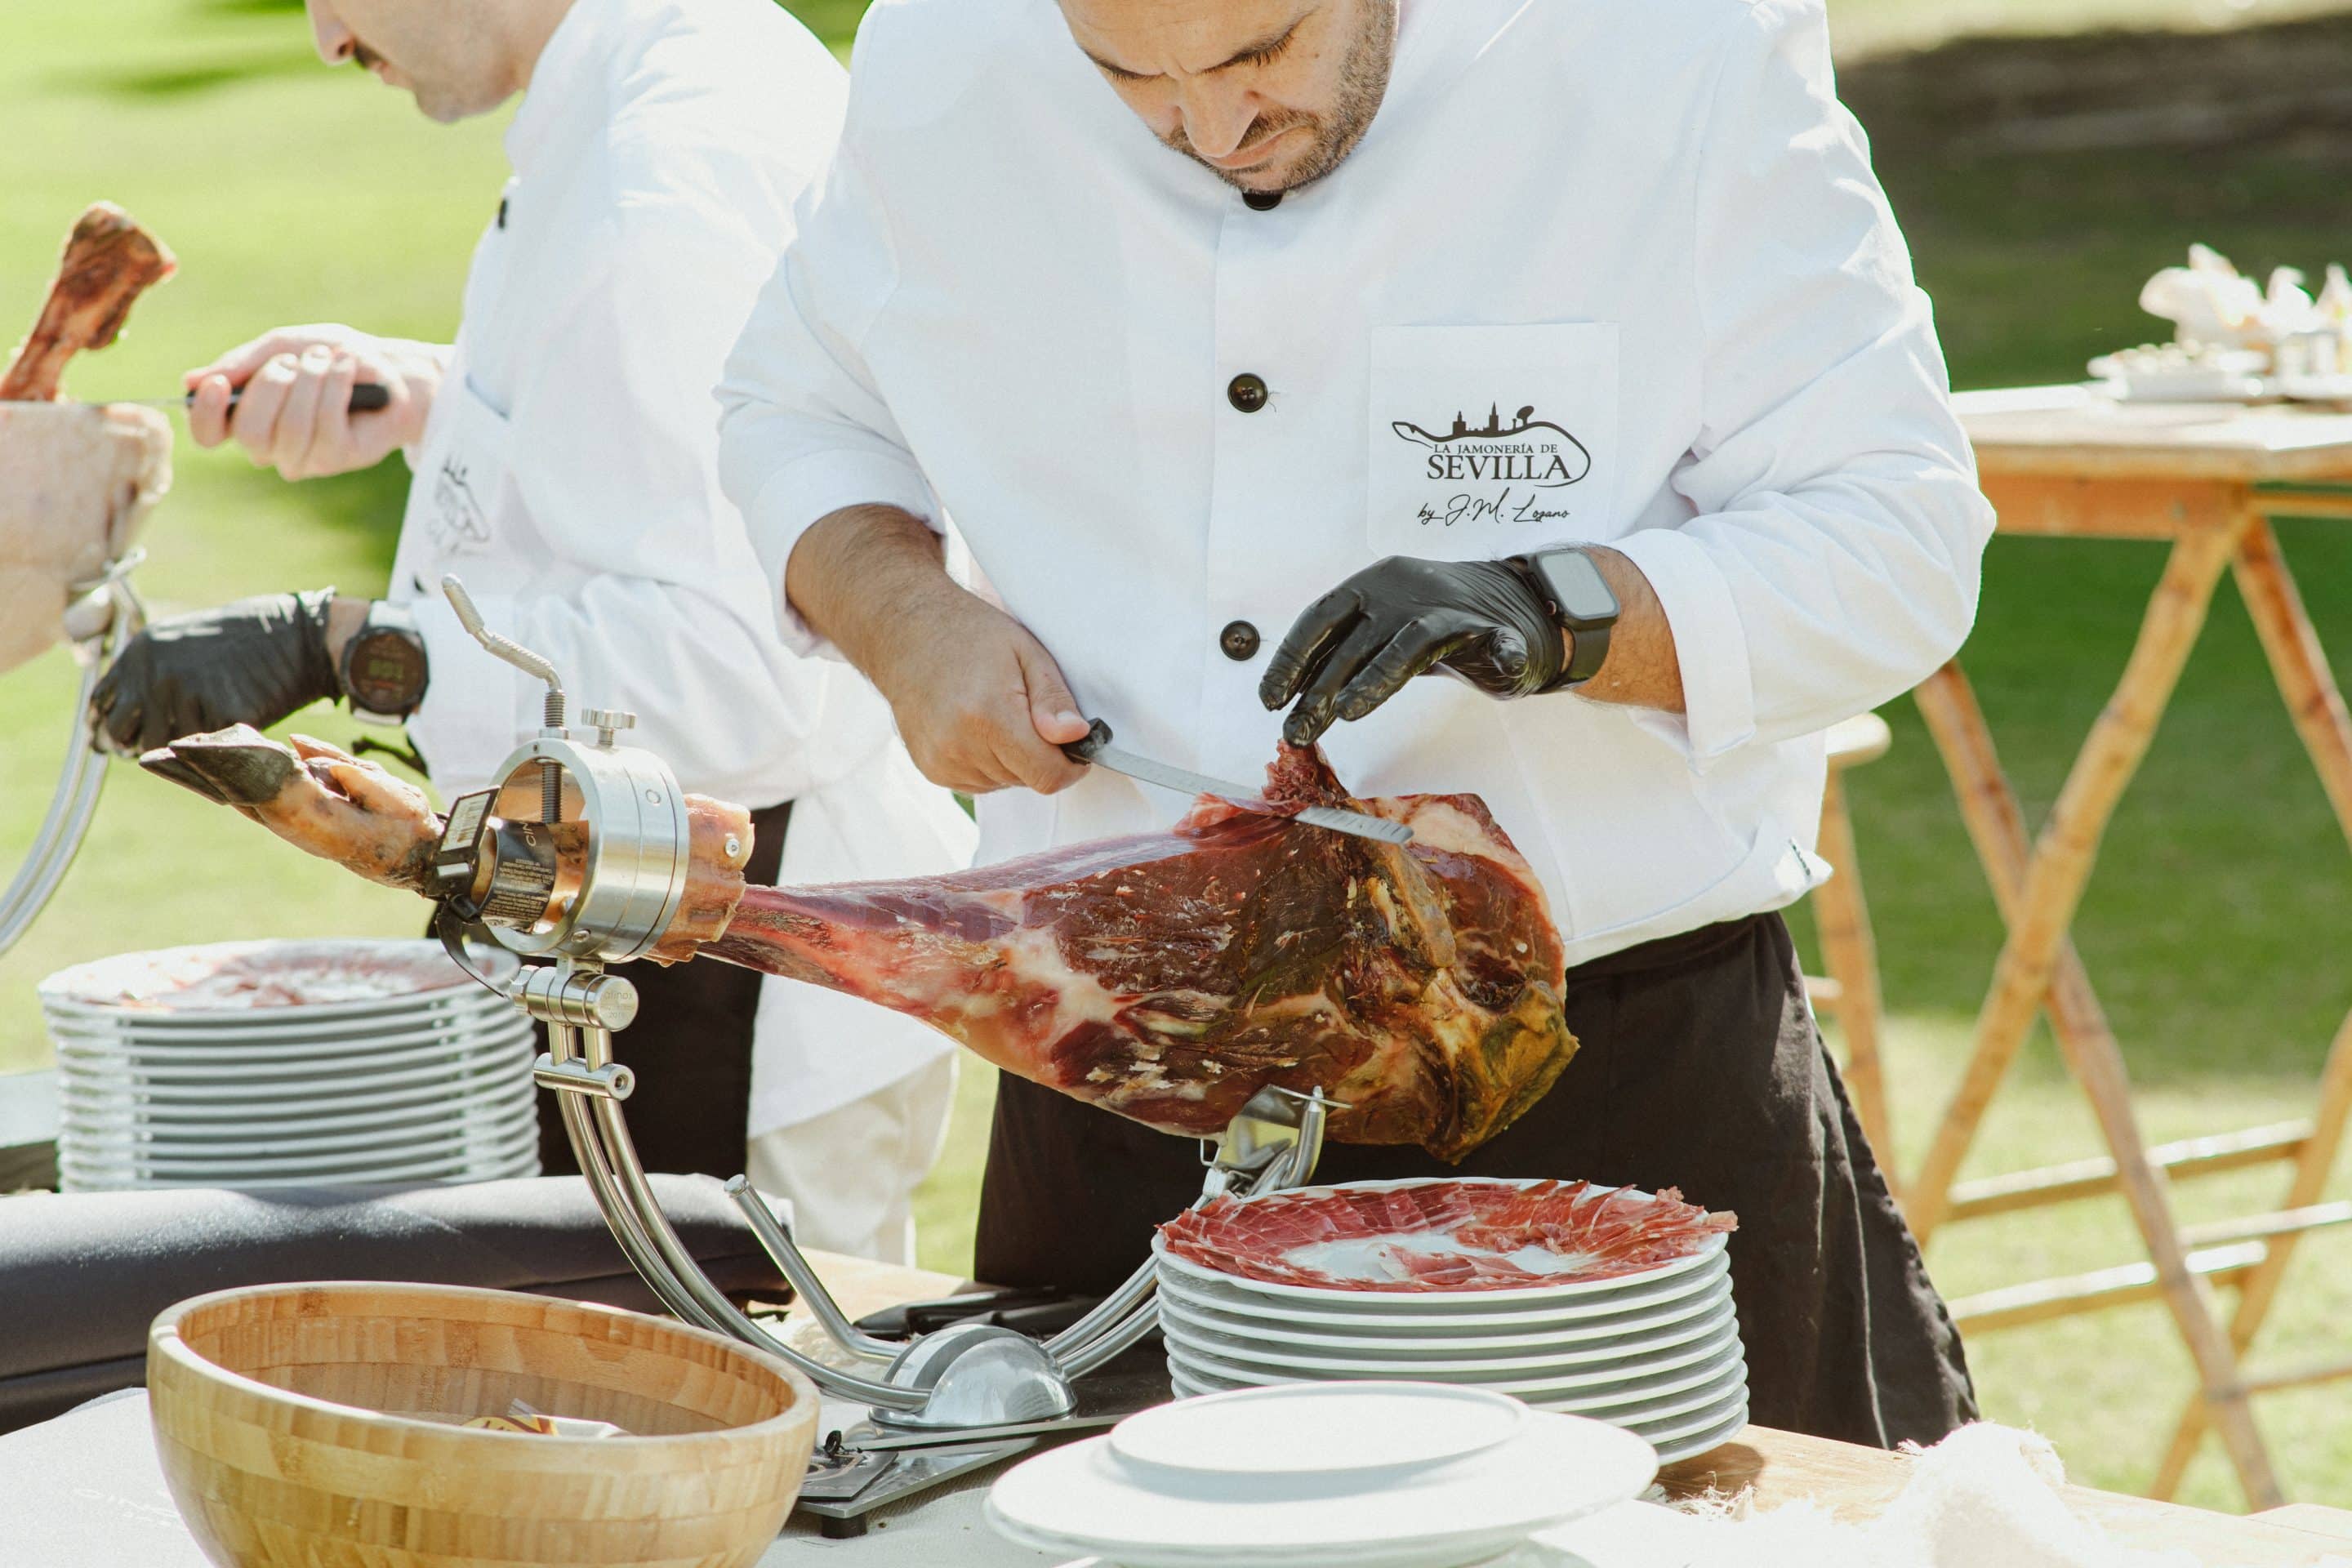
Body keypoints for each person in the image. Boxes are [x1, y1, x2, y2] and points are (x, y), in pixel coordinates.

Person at [718, 0, 1990, 1441]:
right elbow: (790, 408)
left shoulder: (1672, 47)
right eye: (1128, 77)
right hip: (1116, 1084)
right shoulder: (942, 55)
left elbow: (1901, 541)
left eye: (1262, 55)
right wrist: (909, 623)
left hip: (1603, 1093)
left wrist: (1564, 608)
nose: (1211, 128)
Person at [86, 0, 976, 1263]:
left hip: (734, 991)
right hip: (658, 947)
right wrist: (432, 399)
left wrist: (342, 647)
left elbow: (746, 673)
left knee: (731, 1450)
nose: (328, 41)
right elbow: (677, 440)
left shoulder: (665, 177)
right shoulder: (656, 77)